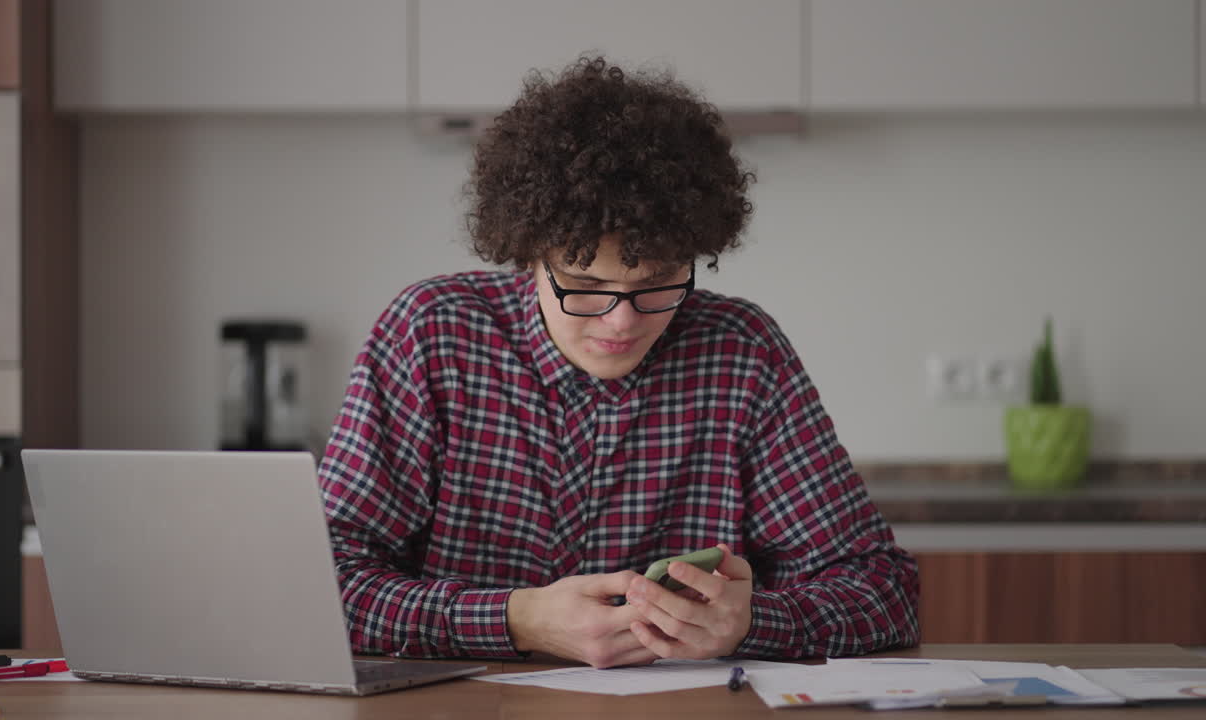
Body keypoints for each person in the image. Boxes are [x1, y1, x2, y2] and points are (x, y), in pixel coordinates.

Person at [318, 56, 918, 668]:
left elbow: (882, 590)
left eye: (657, 284)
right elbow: (319, 584)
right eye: (585, 286)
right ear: (528, 255)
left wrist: (751, 623)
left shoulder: (741, 352)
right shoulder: (432, 335)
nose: (623, 321)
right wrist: (519, 620)